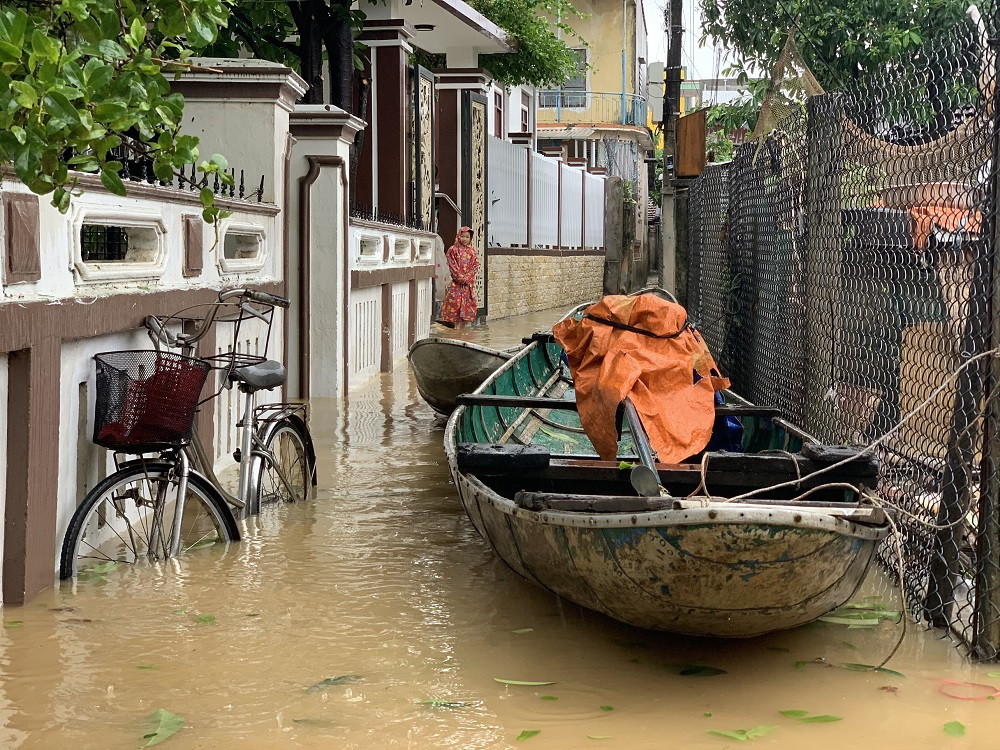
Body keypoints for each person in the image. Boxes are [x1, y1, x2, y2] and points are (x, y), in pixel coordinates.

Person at [439, 226, 479, 330]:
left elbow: (475, 266)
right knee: (455, 306)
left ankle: (460, 333)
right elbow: (450, 264)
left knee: (465, 309)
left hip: (467, 286)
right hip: (455, 285)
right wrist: (459, 277)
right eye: (463, 236)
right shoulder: (453, 250)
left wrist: (467, 277)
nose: (465, 239)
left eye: (467, 237)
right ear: (458, 236)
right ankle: (455, 332)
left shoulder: (472, 251)